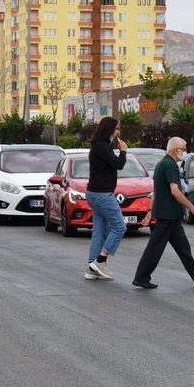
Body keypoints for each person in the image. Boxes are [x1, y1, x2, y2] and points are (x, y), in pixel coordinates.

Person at [132, 137, 194, 290]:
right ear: (175, 149)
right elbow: (175, 191)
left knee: (183, 248)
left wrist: (151, 212)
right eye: (183, 149)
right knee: (154, 249)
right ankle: (141, 277)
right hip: (168, 216)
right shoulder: (170, 165)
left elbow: (156, 192)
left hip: (170, 216)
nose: (185, 152)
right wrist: (192, 208)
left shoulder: (161, 165)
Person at [84, 116, 128, 281]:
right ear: (109, 129)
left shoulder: (100, 146)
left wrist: (115, 147)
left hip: (95, 193)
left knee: (100, 230)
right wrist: (123, 151)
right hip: (102, 194)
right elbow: (119, 164)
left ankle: (92, 266)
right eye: (116, 129)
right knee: (119, 227)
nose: (118, 132)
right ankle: (101, 260)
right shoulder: (102, 147)